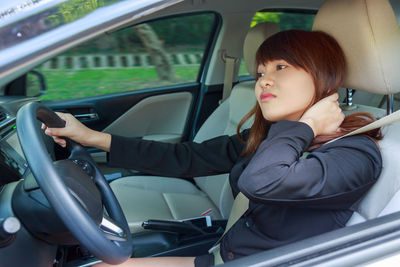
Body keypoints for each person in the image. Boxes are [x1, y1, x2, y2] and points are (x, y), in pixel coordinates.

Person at [43, 30, 383, 267]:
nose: (263, 80)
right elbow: (188, 157)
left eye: (281, 67)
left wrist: (305, 126)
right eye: (261, 70)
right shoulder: (273, 136)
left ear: (322, 76)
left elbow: (262, 182)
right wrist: (90, 136)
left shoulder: (355, 154)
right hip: (221, 256)